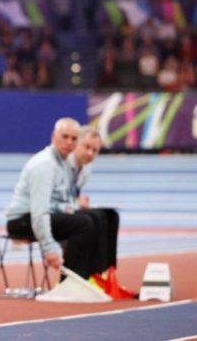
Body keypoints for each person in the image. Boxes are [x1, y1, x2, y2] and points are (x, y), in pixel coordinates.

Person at [5, 117, 100, 279]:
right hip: (21, 221)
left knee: (97, 217)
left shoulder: (62, 164)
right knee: (83, 223)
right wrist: (49, 249)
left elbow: (58, 203)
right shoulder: (46, 164)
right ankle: (70, 281)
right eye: (65, 137)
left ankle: (95, 276)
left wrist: (72, 207)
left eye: (74, 138)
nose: (69, 142)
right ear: (53, 136)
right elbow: (39, 212)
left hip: (35, 217)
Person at [70, 126, 136, 298]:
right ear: (77, 143)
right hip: (53, 214)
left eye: (95, 150)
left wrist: (78, 201)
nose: (91, 153)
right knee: (93, 219)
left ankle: (107, 272)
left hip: (68, 209)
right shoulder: (62, 162)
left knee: (110, 216)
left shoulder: (85, 168)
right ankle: (86, 275)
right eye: (87, 147)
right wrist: (75, 202)